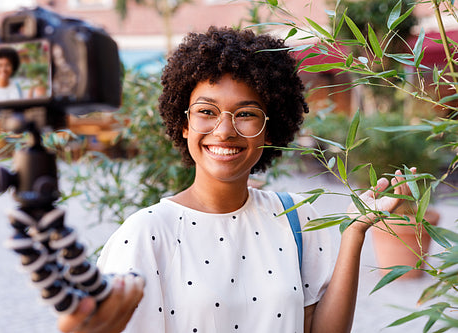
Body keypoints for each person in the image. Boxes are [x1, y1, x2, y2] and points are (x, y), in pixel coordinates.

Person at [58, 26, 415, 333]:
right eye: (206, 112)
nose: (224, 130)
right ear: (184, 124)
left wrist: (355, 231)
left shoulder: (293, 218)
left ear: (269, 129)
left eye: (245, 113)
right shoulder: (146, 234)